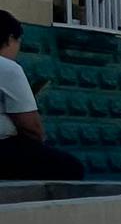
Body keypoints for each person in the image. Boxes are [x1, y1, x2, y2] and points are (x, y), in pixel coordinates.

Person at [0, 12, 85, 181]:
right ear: (10, 39)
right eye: (18, 42)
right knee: (71, 167)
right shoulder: (8, 68)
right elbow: (31, 126)